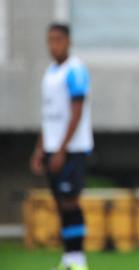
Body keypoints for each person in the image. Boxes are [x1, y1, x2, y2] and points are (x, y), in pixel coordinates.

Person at [30, 23, 93, 270]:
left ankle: (79, 259)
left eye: (58, 39)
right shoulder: (50, 72)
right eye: (50, 40)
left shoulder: (75, 70)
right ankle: (67, 258)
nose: (53, 45)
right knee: (59, 204)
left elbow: (75, 113)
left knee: (70, 203)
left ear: (68, 41)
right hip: (52, 148)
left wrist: (61, 150)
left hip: (72, 150)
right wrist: (39, 149)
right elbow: (50, 116)